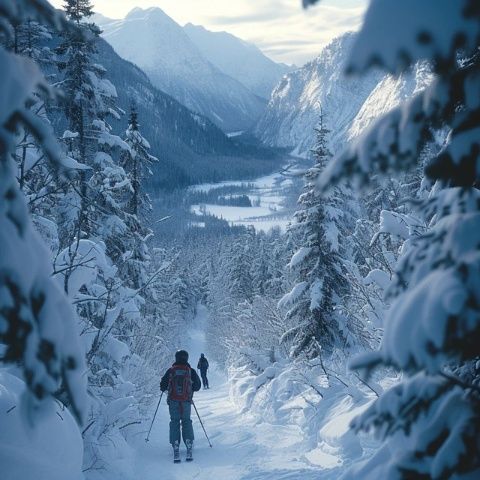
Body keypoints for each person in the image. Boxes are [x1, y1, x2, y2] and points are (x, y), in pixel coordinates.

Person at [160, 350, 201, 463]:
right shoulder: (190, 371)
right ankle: (188, 442)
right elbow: (197, 386)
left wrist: (167, 388)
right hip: (186, 401)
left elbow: (162, 385)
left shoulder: (171, 370)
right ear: (186, 358)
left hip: (173, 401)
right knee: (186, 421)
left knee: (174, 421)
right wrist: (190, 389)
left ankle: (175, 444)